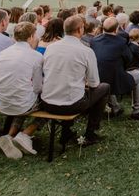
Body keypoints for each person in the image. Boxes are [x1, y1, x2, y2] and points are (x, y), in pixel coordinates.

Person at [41, 16, 110, 145]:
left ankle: (66, 132)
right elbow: (95, 83)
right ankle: (90, 133)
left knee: (71, 89)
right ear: (80, 30)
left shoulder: (51, 48)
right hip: (70, 105)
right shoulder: (86, 51)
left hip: (47, 102)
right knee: (104, 88)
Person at [0, 22, 45, 159]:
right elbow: (38, 87)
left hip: (2, 102)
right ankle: (26, 134)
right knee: (49, 101)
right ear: (30, 37)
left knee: (23, 95)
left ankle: (10, 135)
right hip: (22, 104)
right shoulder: (36, 56)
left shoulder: (3, 53)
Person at [90, 17, 139, 120]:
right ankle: (137, 111)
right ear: (116, 29)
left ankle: (115, 107)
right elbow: (129, 59)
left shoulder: (94, 40)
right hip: (113, 78)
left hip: (97, 77)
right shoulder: (121, 41)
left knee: (109, 73)